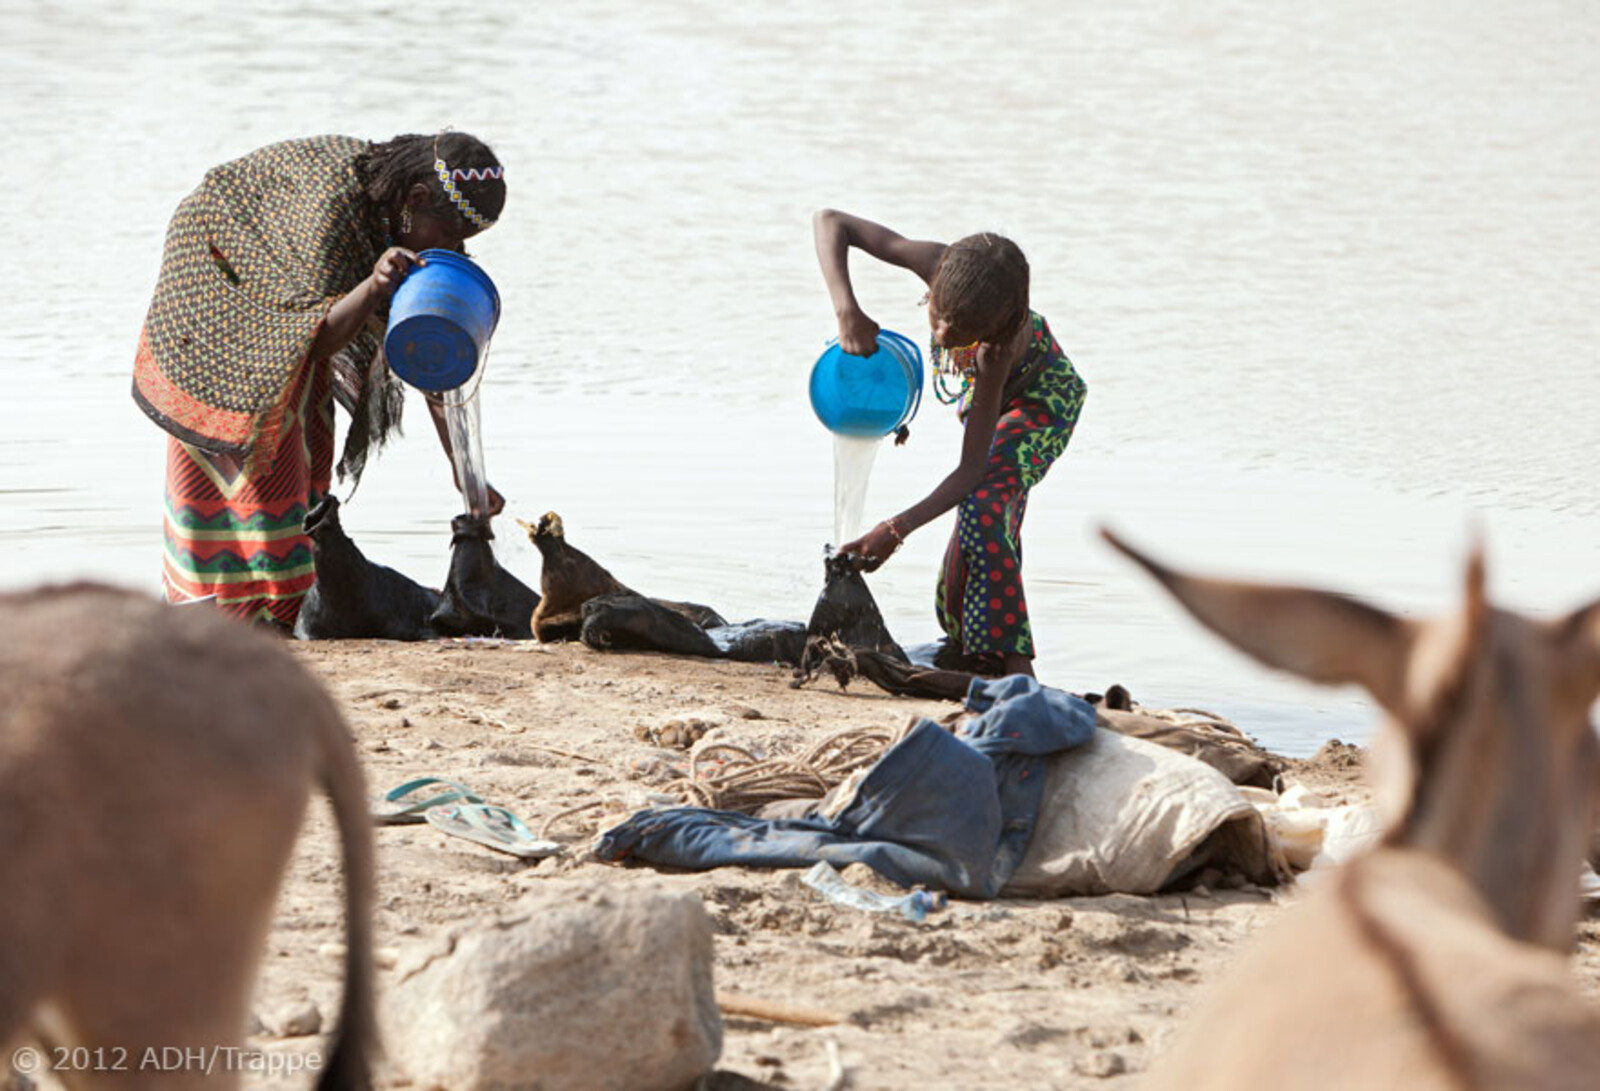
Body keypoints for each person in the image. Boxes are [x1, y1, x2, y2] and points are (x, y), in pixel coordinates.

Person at [132, 131, 508, 630]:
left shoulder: (400, 217)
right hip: (218, 275)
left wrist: (464, 471)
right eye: (447, 237)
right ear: (416, 200)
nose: (453, 249)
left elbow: (428, 358)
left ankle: (289, 600)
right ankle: (219, 606)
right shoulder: (329, 213)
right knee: (256, 435)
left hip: (290, 296)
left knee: (304, 432)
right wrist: (375, 285)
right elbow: (319, 340)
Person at [813, 209, 1087, 678]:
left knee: (984, 505)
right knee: (983, 515)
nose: (940, 335)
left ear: (990, 332)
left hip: (1042, 406)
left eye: (958, 335)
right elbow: (830, 222)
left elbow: (970, 469)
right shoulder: (937, 263)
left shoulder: (995, 352)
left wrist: (894, 529)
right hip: (984, 400)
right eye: (938, 317)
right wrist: (847, 310)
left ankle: (1016, 665)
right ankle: (975, 640)